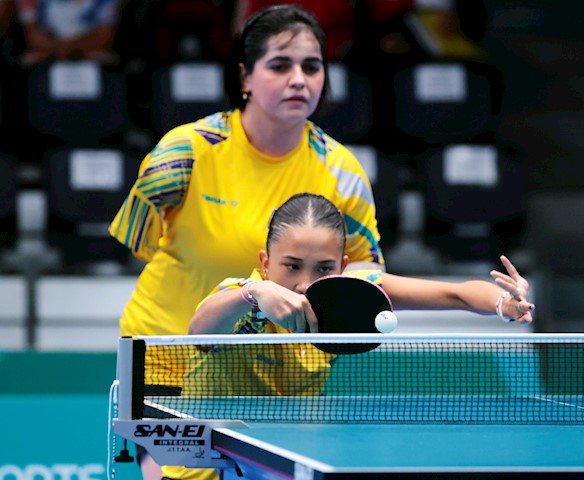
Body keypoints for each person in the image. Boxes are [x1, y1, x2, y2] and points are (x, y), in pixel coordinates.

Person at [108, 4, 384, 479]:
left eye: (312, 66)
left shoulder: (343, 171)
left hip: (276, 372)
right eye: (280, 65)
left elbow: (363, 271)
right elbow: (138, 241)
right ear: (246, 77)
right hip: (168, 355)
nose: (299, 79)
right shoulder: (185, 152)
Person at [183, 192, 533, 397]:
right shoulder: (240, 295)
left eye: (322, 268)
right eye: (291, 266)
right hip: (210, 462)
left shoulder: (352, 290)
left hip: (296, 445)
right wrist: (254, 293)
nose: (305, 283)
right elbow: (198, 331)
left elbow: (455, 294)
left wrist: (504, 303)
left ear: (343, 265)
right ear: (265, 261)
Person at [14, 0, 122, 66]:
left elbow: (104, 38)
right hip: (47, 49)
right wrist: (59, 47)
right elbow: (33, 37)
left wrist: (71, 47)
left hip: (88, 49)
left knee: (108, 60)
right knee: (27, 61)